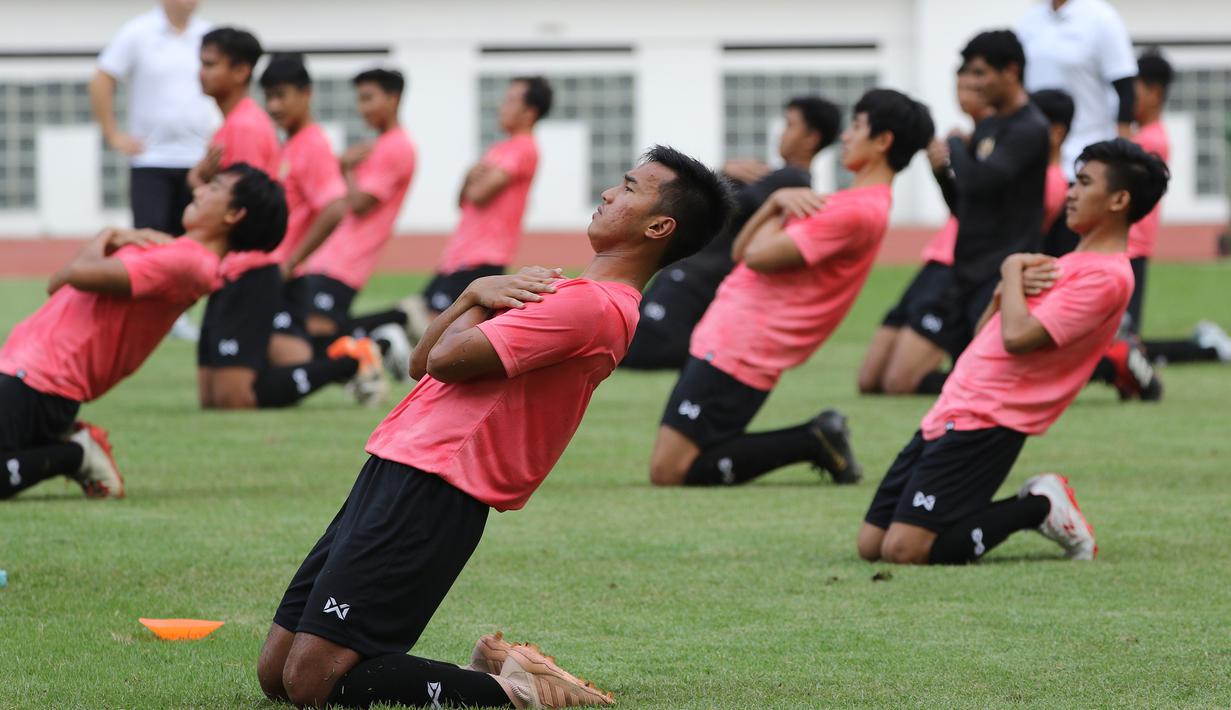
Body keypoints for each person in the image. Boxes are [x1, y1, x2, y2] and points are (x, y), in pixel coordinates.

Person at [254, 146, 733, 709]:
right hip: (397, 464)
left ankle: (512, 691)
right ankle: (499, 673)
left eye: (629, 187)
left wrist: (478, 290)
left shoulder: (596, 307)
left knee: (310, 683)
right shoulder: (565, 291)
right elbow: (419, 362)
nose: (608, 193)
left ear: (660, 225)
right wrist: (474, 293)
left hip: (438, 485)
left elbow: (441, 358)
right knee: (275, 674)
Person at [857, 138, 1169, 566]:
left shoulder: (1108, 277)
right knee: (871, 545)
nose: (1071, 193)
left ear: (1119, 199)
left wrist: (1010, 268)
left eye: (1083, 182)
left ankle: (1038, 506)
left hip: (990, 419)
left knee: (903, 550)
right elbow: (988, 336)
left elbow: (1018, 337)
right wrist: (1006, 291)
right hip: (952, 408)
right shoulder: (1063, 263)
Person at [648, 89, 934, 488]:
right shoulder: (852, 203)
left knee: (669, 471)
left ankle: (812, 440)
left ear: (883, 141)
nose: (846, 137)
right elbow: (748, 249)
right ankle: (813, 439)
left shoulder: (853, 210)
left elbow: (756, 254)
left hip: (743, 343)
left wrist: (775, 204)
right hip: (733, 336)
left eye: (857, 126)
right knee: (673, 466)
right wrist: (773, 204)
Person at [0, 165, 287, 501]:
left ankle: (77, 453)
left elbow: (75, 273)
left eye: (214, 188)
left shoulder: (189, 264)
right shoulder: (171, 250)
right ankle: (70, 449)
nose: (198, 191)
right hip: (25, 366)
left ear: (234, 214)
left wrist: (107, 235)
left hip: (47, 378)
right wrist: (110, 238)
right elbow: (57, 282)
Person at [191, 30, 385, 409]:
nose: (275, 106)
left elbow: (335, 206)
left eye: (283, 96)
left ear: (306, 94)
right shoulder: (286, 143)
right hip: (259, 268)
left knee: (256, 379)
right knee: (277, 362)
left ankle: (354, 358)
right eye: (270, 97)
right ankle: (353, 357)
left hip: (271, 269)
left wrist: (291, 261)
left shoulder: (307, 142)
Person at [620, 96, 840, 370]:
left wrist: (719, 179)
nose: (781, 133)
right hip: (688, 279)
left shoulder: (792, 181)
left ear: (811, 137)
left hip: (695, 282)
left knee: (635, 351)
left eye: (789, 125)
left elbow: (726, 207)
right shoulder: (778, 179)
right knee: (626, 342)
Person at [901, 31, 1050, 391]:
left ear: (1011, 72)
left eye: (982, 73)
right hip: (967, 270)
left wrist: (953, 145)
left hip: (1000, 275)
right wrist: (941, 174)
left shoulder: (1029, 128)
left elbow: (980, 182)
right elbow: (965, 205)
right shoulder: (989, 127)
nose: (974, 83)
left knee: (988, 379)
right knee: (965, 378)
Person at [858, 66, 991, 395]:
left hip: (959, 268)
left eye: (975, 88)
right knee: (870, 381)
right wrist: (940, 172)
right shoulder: (964, 140)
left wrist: (956, 157)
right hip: (935, 261)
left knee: (898, 383)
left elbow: (982, 211)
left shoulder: (1004, 143)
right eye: (961, 88)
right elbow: (962, 207)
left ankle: (987, 384)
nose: (965, 96)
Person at [90, 0, 215, 341]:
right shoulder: (138, 32)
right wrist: (113, 134)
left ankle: (178, 316)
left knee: (189, 241)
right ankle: (142, 312)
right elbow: (102, 79)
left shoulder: (207, 35)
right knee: (148, 239)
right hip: (152, 160)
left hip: (196, 158)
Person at [403, 76, 552, 337]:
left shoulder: (523, 148)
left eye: (510, 101)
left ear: (529, 112)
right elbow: (464, 200)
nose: (501, 106)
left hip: (483, 255)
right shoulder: (500, 148)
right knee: (423, 320)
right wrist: (467, 177)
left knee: (435, 327)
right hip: (460, 254)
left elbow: (480, 193)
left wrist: (473, 179)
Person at [293, 68, 418, 367]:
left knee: (316, 338)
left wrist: (346, 167)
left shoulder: (396, 147)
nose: (362, 107)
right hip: (331, 256)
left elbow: (361, 203)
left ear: (393, 98)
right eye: (359, 100)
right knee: (312, 337)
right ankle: (383, 337)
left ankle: (395, 322)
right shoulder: (378, 144)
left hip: (345, 261)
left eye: (368, 98)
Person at [1018, 0, 1138, 257]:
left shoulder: (1101, 19)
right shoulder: (1030, 21)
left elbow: (1125, 89)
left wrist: (1122, 158)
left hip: (1083, 160)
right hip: (1037, 160)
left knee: (1072, 255)